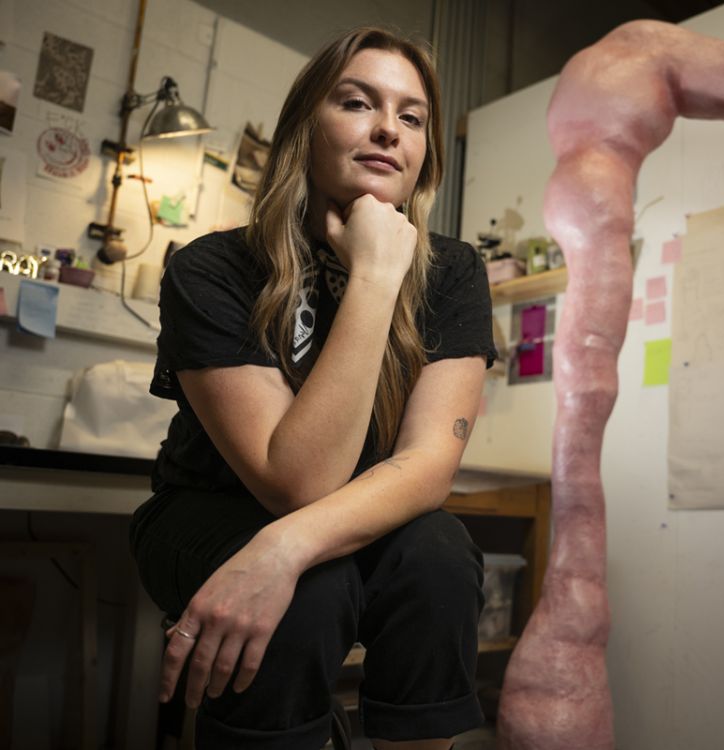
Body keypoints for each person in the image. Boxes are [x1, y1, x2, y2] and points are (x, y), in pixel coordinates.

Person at [129, 26, 497, 750]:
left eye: (412, 117)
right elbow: (297, 482)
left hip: (349, 512)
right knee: (311, 595)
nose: (389, 129)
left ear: (425, 155)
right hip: (210, 507)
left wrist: (281, 549)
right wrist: (372, 276)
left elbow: (427, 468)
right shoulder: (212, 269)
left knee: (440, 558)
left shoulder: (452, 271)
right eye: (359, 103)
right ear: (305, 128)